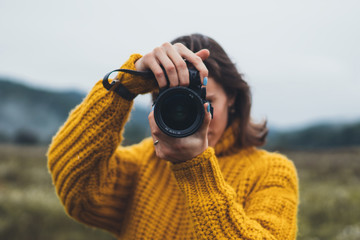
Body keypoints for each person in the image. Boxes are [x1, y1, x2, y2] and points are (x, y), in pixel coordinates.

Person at [47, 33, 299, 239]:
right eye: (181, 104)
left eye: (206, 101)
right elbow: (77, 192)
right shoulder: (143, 162)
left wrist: (196, 169)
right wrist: (125, 85)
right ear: (159, 103)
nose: (199, 115)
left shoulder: (271, 173)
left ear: (232, 98)